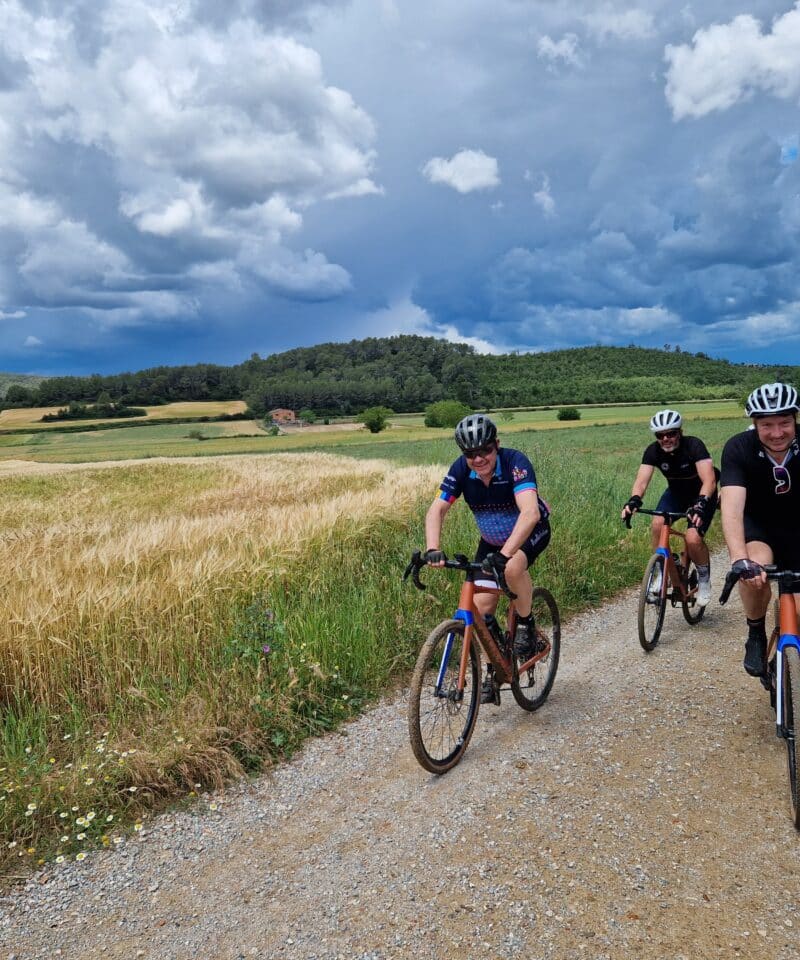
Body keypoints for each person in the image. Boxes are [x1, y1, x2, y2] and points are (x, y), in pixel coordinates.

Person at [424, 413, 551, 703]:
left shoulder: (514, 462)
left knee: (512, 567)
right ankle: (497, 666)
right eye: (470, 453)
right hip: (492, 541)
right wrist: (433, 548)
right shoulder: (461, 470)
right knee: (480, 609)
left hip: (530, 531)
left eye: (485, 450)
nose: (478, 458)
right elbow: (437, 509)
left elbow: (530, 513)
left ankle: (526, 625)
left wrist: (505, 554)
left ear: (497, 444)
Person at [720, 382, 800, 678]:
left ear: (795, 419)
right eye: (767, 425)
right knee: (753, 572)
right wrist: (739, 558)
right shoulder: (739, 447)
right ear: (754, 424)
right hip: (758, 526)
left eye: (785, 423)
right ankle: (755, 632)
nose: (778, 433)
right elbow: (731, 504)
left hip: (797, 528)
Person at [621, 409, 719, 606]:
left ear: (679, 432)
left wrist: (700, 506)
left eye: (671, 433)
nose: (666, 438)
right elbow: (641, 482)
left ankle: (703, 579)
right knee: (657, 524)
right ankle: (661, 573)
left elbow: (709, 480)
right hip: (676, 493)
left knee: (692, 538)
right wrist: (633, 500)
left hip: (702, 494)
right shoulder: (653, 451)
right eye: (660, 435)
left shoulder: (694, 445)